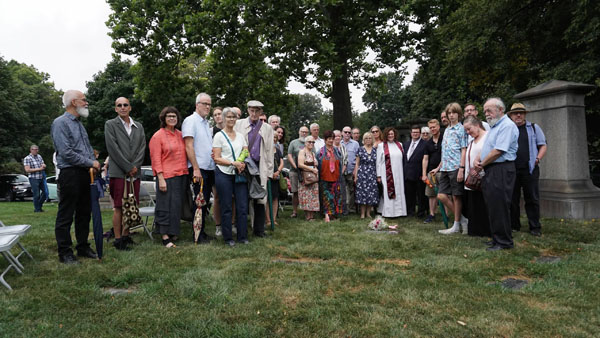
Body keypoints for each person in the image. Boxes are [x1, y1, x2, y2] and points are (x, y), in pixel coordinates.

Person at [51, 89, 100, 264]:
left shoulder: (79, 124)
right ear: (73, 102)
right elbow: (66, 153)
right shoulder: (60, 123)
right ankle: (65, 252)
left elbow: (85, 150)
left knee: (84, 212)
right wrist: (91, 163)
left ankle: (83, 246)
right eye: (83, 100)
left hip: (84, 174)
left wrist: (92, 161)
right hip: (70, 174)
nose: (86, 103)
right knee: (66, 214)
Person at [475, 97, 519, 251]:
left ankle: (504, 242)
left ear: (500, 110)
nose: (486, 114)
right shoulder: (495, 126)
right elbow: (488, 147)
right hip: (492, 169)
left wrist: (482, 163)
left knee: (499, 205)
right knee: (493, 205)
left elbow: (499, 151)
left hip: (501, 169)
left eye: (489, 110)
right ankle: (496, 238)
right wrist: (478, 158)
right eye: (485, 110)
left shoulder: (506, 126)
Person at [104, 97, 146, 251]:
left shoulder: (138, 126)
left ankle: (126, 235)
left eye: (125, 105)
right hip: (119, 172)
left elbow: (142, 147)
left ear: (130, 108)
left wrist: (135, 166)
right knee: (119, 206)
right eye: (119, 105)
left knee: (131, 204)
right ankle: (118, 238)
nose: (122, 107)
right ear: (115, 109)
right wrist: (128, 166)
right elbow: (112, 148)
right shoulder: (110, 125)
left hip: (135, 173)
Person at [149, 107, 189, 248]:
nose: (172, 118)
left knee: (176, 207)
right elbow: (156, 159)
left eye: (174, 116)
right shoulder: (157, 136)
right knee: (164, 206)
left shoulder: (180, 134)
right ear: (164, 119)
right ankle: (164, 236)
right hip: (166, 176)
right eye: (169, 116)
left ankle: (173, 232)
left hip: (181, 175)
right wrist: (160, 178)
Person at [234, 100, 274, 237]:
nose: (254, 113)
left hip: (259, 166)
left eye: (257, 111)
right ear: (248, 110)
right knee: (243, 198)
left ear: (261, 112)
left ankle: (259, 230)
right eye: (252, 110)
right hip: (244, 167)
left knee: (260, 198)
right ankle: (242, 230)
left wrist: (269, 172)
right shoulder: (239, 125)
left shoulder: (267, 128)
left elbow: (269, 151)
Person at [508, 103, 547, 236]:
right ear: (511, 116)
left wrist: (537, 158)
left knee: (532, 198)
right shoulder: (508, 129)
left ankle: (535, 227)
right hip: (512, 169)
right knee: (513, 199)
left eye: (521, 113)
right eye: (515, 113)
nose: (518, 115)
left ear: (525, 114)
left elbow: (543, 145)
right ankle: (514, 225)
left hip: (529, 169)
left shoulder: (534, 128)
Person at [213, 107, 250, 246]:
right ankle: (228, 237)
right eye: (228, 117)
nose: (231, 119)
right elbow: (216, 158)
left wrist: (242, 163)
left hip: (239, 174)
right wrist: (232, 163)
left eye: (233, 117)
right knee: (227, 206)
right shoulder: (219, 136)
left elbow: (245, 151)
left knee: (242, 206)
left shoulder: (240, 136)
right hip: (224, 174)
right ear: (223, 118)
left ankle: (243, 236)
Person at [182, 92, 216, 243]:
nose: (207, 107)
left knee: (205, 201)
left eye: (209, 104)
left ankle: (201, 231)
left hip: (208, 167)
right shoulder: (190, 121)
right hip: (199, 168)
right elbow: (189, 146)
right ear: (197, 105)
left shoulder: (206, 123)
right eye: (204, 104)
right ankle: (197, 235)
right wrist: (195, 168)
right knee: (199, 202)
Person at [434, 103, 468, 234]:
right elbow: (445, 151)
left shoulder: (461, 129)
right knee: (441, 196)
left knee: (456, 196)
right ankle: (463, 220)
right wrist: (439, 167)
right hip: (445, 168)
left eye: (454, 113)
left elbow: (463, 149)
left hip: (455, 167)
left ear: (459, 114)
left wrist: (461, 168)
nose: (451, 115)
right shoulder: (447, 130)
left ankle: (456, 224)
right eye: (449, 113)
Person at [462, 116, 490, 237]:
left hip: (484, 177)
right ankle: (475, 230)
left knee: (483, 205)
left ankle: (485, 230)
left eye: (469, 129)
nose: (468, 132)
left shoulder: (488, 137)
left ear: (477, 125)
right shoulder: (472, 141)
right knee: (473, 205)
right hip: (471, 179)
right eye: (466, 131)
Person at [376, 127, 407, 218]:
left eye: (392, 134)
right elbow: (378, 161)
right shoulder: (381, 146)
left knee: (399, 190)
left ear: (395, 134)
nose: (390, 136)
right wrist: (379, 175)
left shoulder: (399, 144)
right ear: (386, 135)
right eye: (389, 134)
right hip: (386, 173)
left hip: (399, 172)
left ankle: (400, 212)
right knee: (387, 191)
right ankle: (389, 212)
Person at [317, 130, 343, 222]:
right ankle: (326, 215)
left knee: (336, 196)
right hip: (324, 178)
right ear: (325, 140)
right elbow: (317, 165)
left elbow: (340, 164)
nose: (331, 141)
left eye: (332, 138)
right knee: (326, 197)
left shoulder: (337, 151)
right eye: (329, 139)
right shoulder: (320, 152)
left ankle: (334, 215)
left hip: (336, 178)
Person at [422, 119, 444, 223]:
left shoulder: (444, 138)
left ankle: (447, 215)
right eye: (430, 128)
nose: (432, 129)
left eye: (434, 127)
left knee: (445, 194)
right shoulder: (428, 143)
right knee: (431, 194)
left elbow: (446, 156)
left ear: (438, 127)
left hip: (443, 170)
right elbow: (425, 159)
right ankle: (432, 214)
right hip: (431, 172)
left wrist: (438, 168)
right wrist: (424, 174)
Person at [403, 125, 427, 218]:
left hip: (419, 174)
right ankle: (410, 212)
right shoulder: (406, 144)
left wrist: (423, 173)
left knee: (421, 195)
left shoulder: (425, 144)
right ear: (411, 133)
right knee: (409, 195)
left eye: (417, 132)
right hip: (408, 174)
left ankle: (421, 213)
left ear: (420, 133)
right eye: (413, 132)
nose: (415, 134)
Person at [353, 132, 378, 218]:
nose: (368, 140)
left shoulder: (375, 150)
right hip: (362, 174)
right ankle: (362, 214)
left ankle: (368, 213)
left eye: (370, 138)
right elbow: (357, 163)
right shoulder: (360, 149)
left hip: (372, 174)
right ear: (363, 140)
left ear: (372, 140)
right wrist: (355, 176)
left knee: (371, 193)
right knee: (362, 194)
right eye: (366, 138)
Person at [287, 126, 309, 218]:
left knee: (306, 192)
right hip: (294, 171)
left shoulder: (309, 143)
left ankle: (306, 211)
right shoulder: (293, 143)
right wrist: (296, 166)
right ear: (299, 132)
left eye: (306, 132)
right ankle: (295, 211)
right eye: (302, 132)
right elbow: (289, 155)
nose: (304, 133)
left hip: (306, 171)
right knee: (295, 192)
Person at [297, 135, 319, 220]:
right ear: (305, 143)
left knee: (313, 196)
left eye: (313, 142)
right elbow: (300, 164)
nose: (311, 143)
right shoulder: (302, 152)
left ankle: (312, 215)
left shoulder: (313, 153)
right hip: (306, 177)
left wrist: (315, 169)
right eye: (309, 142)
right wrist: (312, 170)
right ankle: (307, 216)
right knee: (306, 195)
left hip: (314, 178)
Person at [266, 130, 284, 226]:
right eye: (272, 137)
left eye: (275, 138)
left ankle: (274, 219)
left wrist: (278, 171)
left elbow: (281, 162)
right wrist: (269, 173)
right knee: (268, 199)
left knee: (275, 198)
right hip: (268, 177)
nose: (274, 139)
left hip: (276, 177)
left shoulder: (277, 150)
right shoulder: (265, 149)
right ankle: (268, 220)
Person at [341, 126, 360, 214]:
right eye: (345, 132)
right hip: (341, 171)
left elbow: (357, 159)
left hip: (351, 170)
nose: (347, 134)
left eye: (349, 132)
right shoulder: (338, 143)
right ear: (342, 133)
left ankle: (351, 208)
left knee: (352, 190)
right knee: (342, 190)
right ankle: (343, 208)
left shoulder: (355, 144)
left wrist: (355, 171)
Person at [23, 144, 46, 212]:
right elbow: (27, 170)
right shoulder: (27, 158)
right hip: (33, 178)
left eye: (37, 149)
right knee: (36, 194)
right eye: (34, 149)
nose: (36, 151)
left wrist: (44, 165)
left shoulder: (39, 156)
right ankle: (37, 209)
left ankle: (39, 205)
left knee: (45, 193)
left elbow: (42, 164)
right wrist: (39, 169)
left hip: (41, 177)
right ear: (31, 150)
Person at [333, 130, 348, 214]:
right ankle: (334, 210)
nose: (337, 138)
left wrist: (341, 172)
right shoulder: (330, 147)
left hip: (341, 174)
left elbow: (345, 161)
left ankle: (343, 211)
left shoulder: (343, 147)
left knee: (342, 193)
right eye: (335, 136)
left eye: (339, 136)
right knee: (334, 193)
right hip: (331, 175)